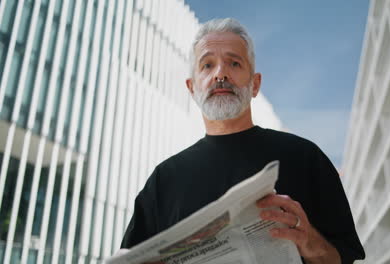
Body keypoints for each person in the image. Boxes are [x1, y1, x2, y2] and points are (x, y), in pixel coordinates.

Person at [120, 18, 365, 264]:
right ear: (191, 87)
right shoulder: (163, 181)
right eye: (207, 65)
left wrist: (308, 241)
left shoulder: (306, 158)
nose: (220, 74)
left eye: (234, 63)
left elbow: (343, 258)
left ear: (255, 84)